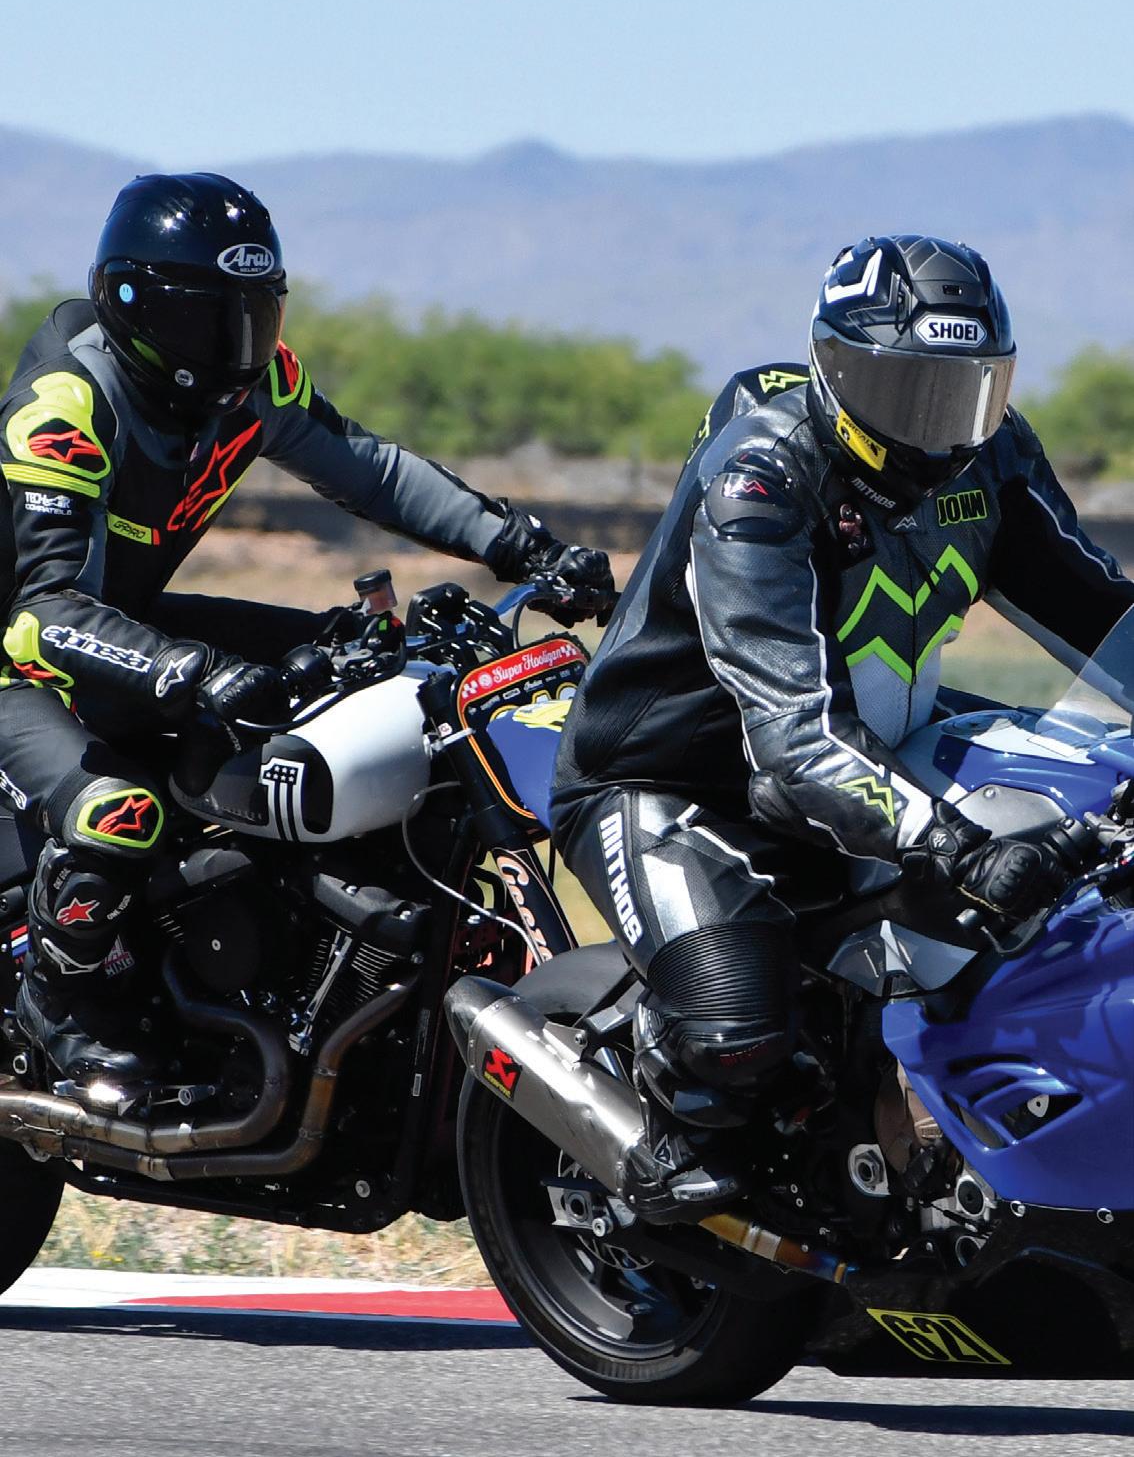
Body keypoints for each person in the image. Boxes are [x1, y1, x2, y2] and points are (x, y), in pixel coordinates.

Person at [551, 234, 1134, 1222]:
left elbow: (1104, 617)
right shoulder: (763, 479)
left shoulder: (993, 456)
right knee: (736, 1040)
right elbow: (792, 736)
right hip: (682, 780)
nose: (939, 431)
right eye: (910, 393)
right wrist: (955, 845)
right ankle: (654, 1105)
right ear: (836, 368)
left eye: (965, 395)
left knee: (1074, 871)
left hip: (879, 745)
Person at [0, 171, 613, 1097]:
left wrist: (524, 545)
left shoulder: (258, 386)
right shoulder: (65, 408)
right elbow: (42, 613)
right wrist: (190, 671)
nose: (236, 345)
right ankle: (65, 1004)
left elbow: (371, 470)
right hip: (25, 655)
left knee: (361, 669)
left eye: (253, 315)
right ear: (131, 305)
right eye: (207, 318)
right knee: (116, 816)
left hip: (125, 626)